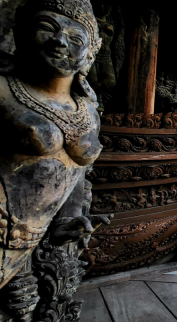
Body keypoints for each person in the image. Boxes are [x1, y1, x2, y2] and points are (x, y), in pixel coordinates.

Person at [0, 0, 110, 309]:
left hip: (43, 240)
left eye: (76, 38)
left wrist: (71, 219)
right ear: (21, 34)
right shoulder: (4, 89)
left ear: (89, 53)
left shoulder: (88, 110)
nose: (60, 40)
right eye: (46, 28)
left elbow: (77, 173)